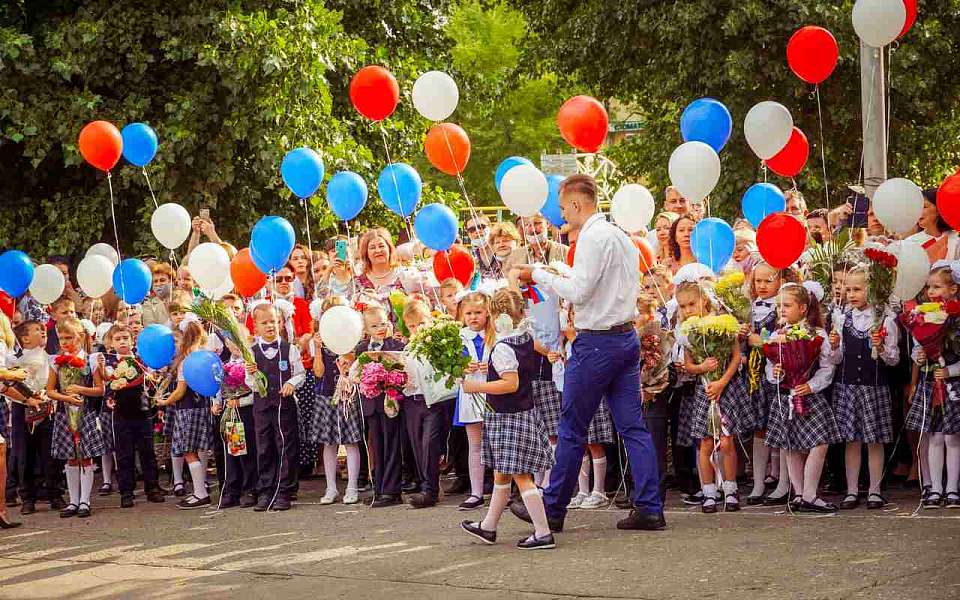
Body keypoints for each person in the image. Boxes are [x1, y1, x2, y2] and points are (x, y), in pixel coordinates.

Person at [512, 174, 664, 532]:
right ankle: (649, 506)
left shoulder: (594, 238)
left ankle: (553, 509)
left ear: (578, 205)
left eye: (564, 207)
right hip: (624, 337)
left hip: (597, 342)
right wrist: (554, 270)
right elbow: (592, 282)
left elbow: (579, 291)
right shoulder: (619, 236)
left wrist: (539, 274)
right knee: (632, 426)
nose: (562, 213)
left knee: (571, 428)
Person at [460, 289, 556, 550]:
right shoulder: (523, 337)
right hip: (521, 413)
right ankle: (489, 527)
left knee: (521, 476)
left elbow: (510, 383)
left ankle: (543, 532)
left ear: (494, 316)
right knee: (502, 474)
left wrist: (475, 387)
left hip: (509, 417)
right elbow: (536, 351)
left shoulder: (503, 347)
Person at [827, 266, 899, 510]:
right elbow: (836, 360)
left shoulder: (884, 319)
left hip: (873, 388)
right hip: (847, 388)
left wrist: (880, 348)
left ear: (872, 289)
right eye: (848, 289)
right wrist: (834, 345)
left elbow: (893, 359)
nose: (851, 294)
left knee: (875, 441)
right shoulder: (842, 318)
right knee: (852, 441)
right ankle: (851, 490)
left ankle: (875, 490)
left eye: (857, 289)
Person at [677, 281, 752, 513]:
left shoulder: (722, 323)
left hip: (724, 388)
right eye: (683, 306)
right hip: (704, 388)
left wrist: (721, 382)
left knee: (727, 440)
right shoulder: (690, 329)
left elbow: (736, 356)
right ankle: (708, 491)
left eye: (692, 304)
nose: (688, 309)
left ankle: (730, 489)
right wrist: (701, 368)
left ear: (704, 301)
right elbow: (688, 364)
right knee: (706, 443)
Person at [765, 283, 840, 513]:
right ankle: (798, 495)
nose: (782, 310)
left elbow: (828, 366)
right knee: (790, 446)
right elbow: (771, 366)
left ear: (803, 308)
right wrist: (776, 374)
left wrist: (811, 385)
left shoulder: (816, 333)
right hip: (787, 396)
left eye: (787, 305)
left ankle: (809, 492)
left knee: (819, 442)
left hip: (809, 396)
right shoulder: (777, 335)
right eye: (779, 306)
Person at [905, 264, 960, 508]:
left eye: (937, 287)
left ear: (953, 289)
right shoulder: (923, 315)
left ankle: (952, 488)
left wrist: (950, 370)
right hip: (931, 383)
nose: (930, 291)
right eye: (928, 287)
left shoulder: (956, 319)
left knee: (953, 438)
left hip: (952, 386)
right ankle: (935, 488)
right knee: (935, 437)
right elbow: (920, 345)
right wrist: (920, 356)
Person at [97, 324, 165, 507]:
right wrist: (102, 369)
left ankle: (153, 487)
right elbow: (106, 381)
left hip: (142, 412)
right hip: (121, 414)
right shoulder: (110, 363)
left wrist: (152, 379)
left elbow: (152, 380)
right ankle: (126, 492)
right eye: (118, 339)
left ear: (132, 340)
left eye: (125, 338)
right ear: (111, 343)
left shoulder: (140, 360)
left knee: (147, 452)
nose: (122, 342)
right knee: (124, 454)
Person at [247, 303, 305, 512]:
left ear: (280, 323)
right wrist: (253, 375)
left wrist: (291, 383)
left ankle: (285, 490)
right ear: (256, 327)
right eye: (265, 323)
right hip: (262, 407)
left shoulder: (290, 349)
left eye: (273, 321)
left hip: (283, 405)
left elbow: (299, 373)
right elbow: (249, 383)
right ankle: (266, 490)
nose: (270, 326)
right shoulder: (251, 352)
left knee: (285, 445)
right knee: (264, 446)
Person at [46, 317, 106, 518]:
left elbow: (100, 389)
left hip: (86, 413)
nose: (65, 342)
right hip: (65, 414)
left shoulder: (90, 359)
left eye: (69, 337)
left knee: (86, 456)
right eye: (61, 338)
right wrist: (66, 397)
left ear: (80, 337)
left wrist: (81, 390)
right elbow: (50, 391)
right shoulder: (56, 362)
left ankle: (85, 501)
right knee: (71, 458)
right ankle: (73, 501)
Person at [401, 300, 458, 508]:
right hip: (412, 401)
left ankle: (429, 491)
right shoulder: (407, 349)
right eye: (412, 326)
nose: (417, 329)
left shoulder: (438, 344)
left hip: (433, 401)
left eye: (421, 323)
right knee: (417, 446)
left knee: (430, 444)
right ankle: (427, 484)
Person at [6, 320, 62, 516]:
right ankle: (27, 498)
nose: (42, 332)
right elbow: (8, 385)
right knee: (25, 455)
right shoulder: (13, 360)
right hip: (22, 408)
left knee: (49, 454)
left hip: (45, 407)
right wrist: (27, 396)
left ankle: (54, 494)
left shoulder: (50, 359)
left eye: (42, 329)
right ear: (25, 338)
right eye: (37, 330)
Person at [312, 296, 362, 506]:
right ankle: (331, 487)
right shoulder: (320, 339)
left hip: (348, 394)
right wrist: (316, 350)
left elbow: (357, 365)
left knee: (351, 441)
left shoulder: (354, 337)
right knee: (328, 443)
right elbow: (318, 372)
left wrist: (348, 354)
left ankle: (352, 486)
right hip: (326, 395)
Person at [157, 320, 213, 510]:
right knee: (197, 450)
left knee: (189, 451)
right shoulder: (205, 356)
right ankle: (200, 490)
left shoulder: (185, 361)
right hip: (202, 408)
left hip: (187, 410)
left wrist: (164, 401)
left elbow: (180, 391)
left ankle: (200, 493)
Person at [353, 305, 405, 507]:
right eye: (374, 326)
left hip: (389, 401)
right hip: (371, 403)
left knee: (392, 444)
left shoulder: (396, 346)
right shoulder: (361, 348)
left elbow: (402, 373)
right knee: (376, 446)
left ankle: (392, 491)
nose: (380, 328)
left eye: (383, 323)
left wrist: (390, 378)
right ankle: (379, 487)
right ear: (366, 330)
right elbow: (357, 374)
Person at [455, 291, 496, 511]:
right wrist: (463, 368)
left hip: (494, 392)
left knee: (498, 443)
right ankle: (476, 492)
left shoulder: (495, 335)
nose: (473, 317)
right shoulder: (458, 337)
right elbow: (450, 369)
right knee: (475, 445)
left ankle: (503, 490)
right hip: (470, 393)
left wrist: (492, 367)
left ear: (487, 312)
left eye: (478, 312)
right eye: (469, 313)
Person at [142, 262, 176, 326]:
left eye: (162, 280)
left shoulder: (181, 298)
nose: (159, 284)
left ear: (171, 282)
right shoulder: (148, 305)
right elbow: (151, 328)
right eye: (155, 281)